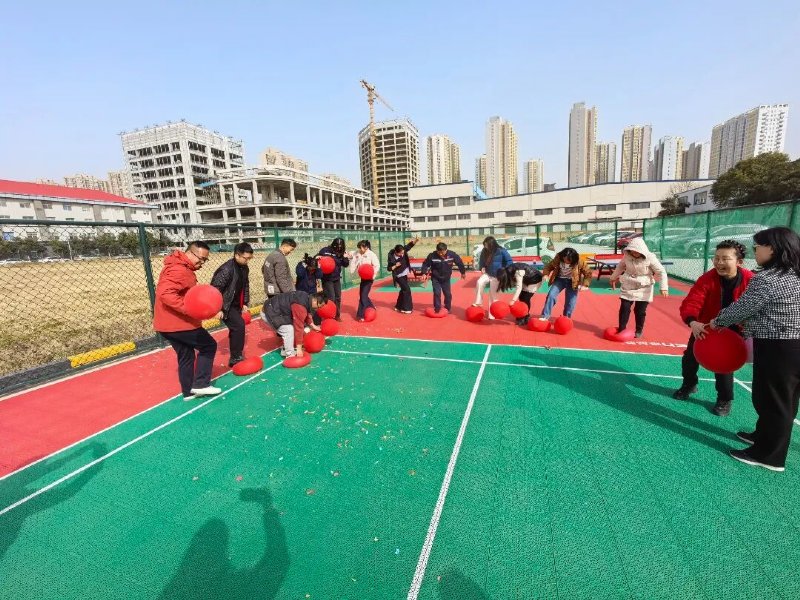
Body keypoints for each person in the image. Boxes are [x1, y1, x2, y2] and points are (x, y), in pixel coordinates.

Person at [699, 227, 800, 472]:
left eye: (758, 247)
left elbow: (742, 308)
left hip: (779, 346)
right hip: (791, 345)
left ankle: (769, 456)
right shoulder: (795, 274)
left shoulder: (768, 278)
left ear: (773, 249)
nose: (755, 251)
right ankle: (763, 436)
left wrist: (717, 321)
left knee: (774, 400)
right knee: (782, 398)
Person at [674, 240, 753, 416]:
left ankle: (724, 399)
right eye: (716, 258)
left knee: (724, 364)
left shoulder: (750, 280)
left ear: (739, 262)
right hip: (705, 327)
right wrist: (693, 322)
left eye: (725, 258)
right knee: (690, 358)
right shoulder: (707, 279)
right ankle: (689, 385)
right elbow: (692, 302)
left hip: (735, 329)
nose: (719, 262)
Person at [153, 241, 220, 400]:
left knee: (186, 356)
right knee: (209, 346)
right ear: (190, 253)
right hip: (178, 324)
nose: (202, 263)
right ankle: (201, 384)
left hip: (167, 324)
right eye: (201, 259)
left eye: (205, 260)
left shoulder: (181, 267)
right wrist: (191, 309)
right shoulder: (179, 270)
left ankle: (188, 391)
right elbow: (165, 294)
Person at [608, 237, 669, 338]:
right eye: (633, 250)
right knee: (624, 307)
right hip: (629, 283)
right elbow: (620, 267)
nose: (634, 253)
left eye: (637, 251)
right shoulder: (627, 256)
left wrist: (663, 287)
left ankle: (639, 330)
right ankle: (622, 328)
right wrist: (613, 277)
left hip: (644, 285)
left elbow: (661, 272)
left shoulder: (650, 257)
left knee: (640, 310)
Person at [211, 242, 254, 368]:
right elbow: (215, 290)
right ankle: (235, 358)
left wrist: (245, 302)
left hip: (236, 304)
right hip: (225, 305)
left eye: (250, 258)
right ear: (236, 255)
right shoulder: (226, 270)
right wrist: (218, 308)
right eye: (245, 258)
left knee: (236, 328)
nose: (247, 261)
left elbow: (245, 285)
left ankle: (236, 353)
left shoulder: (244, 268)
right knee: (239, 326)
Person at [260, 291, 325, 358]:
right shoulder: (300, 306)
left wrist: (312, 325)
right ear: (315, 300)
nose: (319, 308)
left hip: (274, 310)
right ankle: (290, 354)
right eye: (320, 306)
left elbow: (306, 313)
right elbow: (299, 327)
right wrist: (299, 348)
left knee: (292, 326)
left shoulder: (307, 298)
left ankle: (285, 349)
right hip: (270, 313)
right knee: (289, 330)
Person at [540, 247, 592, 320]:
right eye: (565, 259)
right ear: (563, 256)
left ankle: (566, 319)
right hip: (559, 279)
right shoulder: (558, 258)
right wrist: (545, 274)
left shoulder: (579, 260)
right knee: (551, 295)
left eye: (569, 260)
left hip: (573, 282)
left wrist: (585, 285)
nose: (566, 262)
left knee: (571, 302)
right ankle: (545, 316)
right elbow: (549, 266)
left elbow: (588, 272)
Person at [420, 242, 466, 313]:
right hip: (436, 278)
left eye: (443, 252)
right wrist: (424, 273)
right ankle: (437, 308)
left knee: (448, 294)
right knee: (437, 293)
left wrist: (463, 272)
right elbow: (425, 264)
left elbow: (459, 262)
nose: (441, 254)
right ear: (437, 250)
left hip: (446, 278)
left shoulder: (452, 255)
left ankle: (447, 308)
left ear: (446, 250)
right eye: (439, 252)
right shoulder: (432, 256)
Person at [473, 237, 513, 317]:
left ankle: (492, 315)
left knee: (493, 295)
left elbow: (509, 261)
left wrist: (505, 271)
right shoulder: (484, 251)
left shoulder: (501, 251)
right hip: (488, 273)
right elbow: (482, 261)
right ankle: (478, 302)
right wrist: (482, 267)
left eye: (486, 245)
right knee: (479, 282)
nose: (485, 246)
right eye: (484, 245)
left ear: (491, 244)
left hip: (497, 276)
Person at [317, 238, 350, 321]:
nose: (339, 248)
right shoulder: (325, 250)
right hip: (327, 278)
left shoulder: (342, 252)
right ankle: (329, 315)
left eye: (340, 246)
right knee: (331, 297)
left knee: (338, 297)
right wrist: (317, 257)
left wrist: (345, 257)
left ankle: (337, 315)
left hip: (336, 278)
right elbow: (317, 258)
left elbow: (345, 264)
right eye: (337, 246)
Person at [349, 240, 381, 321]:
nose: (360, 249)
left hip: (369, 278)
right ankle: (371, 307)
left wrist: (372, 274)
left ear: (366, 247)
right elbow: (352, 253)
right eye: (359, 248)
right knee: (362, 295)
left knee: (363, 296)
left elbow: (377, 265)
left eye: (361, 248)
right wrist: (347, 254)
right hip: (362, 277)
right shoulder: (358, 252)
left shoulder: (371, 254)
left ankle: (361, 315)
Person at [387, 236, 419, 314]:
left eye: (403, 252)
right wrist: (395, 266)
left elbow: (409, 246)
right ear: (396, 252)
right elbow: (389, 268)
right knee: (407, 290)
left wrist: (415, 240)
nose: (402, 254)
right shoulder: (391, 257)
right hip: (398, 275)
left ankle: (398, 306)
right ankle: (406, 308)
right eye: (400, 253)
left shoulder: (403, 251)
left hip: (404, 273)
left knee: (403, 290)